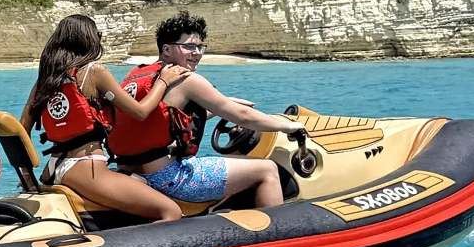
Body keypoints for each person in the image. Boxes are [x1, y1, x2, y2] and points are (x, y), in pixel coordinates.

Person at [107, 12, 305, 208]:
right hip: (168, 178)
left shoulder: (137, 76)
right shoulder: (187, 79)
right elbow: (243, 117)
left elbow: (161, 119)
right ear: (166, 49)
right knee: (267, 169)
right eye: (189, 46)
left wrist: (222, 105)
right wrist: (287, 126)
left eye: (200, 46)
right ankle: (274, 235)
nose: (197, 53)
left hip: (132, 169)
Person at [19, 13, 190, 223]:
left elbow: (20, 129)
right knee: (170, 211)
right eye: (97, 35)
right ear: (89, 39)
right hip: (86, 167)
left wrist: (27, 176)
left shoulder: (47, 80)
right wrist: (163, 81)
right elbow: (140, 112)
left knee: (140, 186)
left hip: (54, 168)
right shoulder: (94, 72)